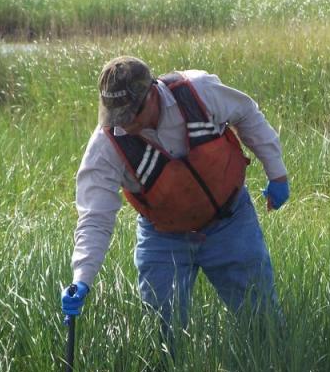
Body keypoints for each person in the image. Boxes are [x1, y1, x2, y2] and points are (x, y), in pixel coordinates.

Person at [61, 55, 289, 331]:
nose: (125, 124)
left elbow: (247, 114)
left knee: (262, 320)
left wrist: (276, 173)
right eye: (117, 116)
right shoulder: (106, 147)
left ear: (152, 92)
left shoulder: (198, 91)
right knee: (162, 334)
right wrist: (82, 278)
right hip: (163, 238)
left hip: (231, 222)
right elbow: (95, 217)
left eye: (131, 114)